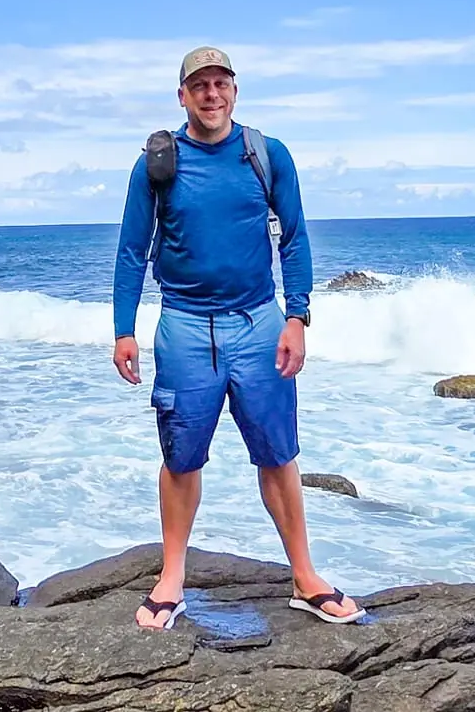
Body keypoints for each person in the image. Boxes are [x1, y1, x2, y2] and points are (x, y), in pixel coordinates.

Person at [111, 45, 364, 630]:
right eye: (199, 85)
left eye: (221, 82)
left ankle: (305, 576)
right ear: (183, 96)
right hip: (184, 327)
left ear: (234, 90)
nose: (211, 94)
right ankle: (171, 577)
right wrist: (124, 329)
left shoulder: (267, 155)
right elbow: (131, 250)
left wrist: (297, 317)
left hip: (259, 323)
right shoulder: (158, 161)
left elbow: (294, 241)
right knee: (181, 459)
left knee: (279, 455)